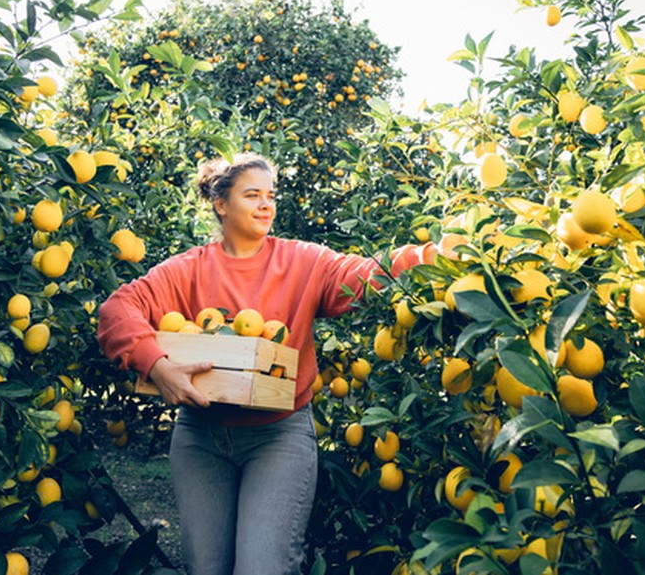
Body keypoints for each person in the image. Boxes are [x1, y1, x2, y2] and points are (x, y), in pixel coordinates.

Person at [96, 153, 435, 575]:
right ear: (221, 204)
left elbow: (364, 273)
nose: (266, 205)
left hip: (278, 435)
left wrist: (430, 256)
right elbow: (118, 309)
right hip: (199, 437)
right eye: (252, 194)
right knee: (206, 567)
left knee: (263, 566)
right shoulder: (188, 269)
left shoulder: (303, 262)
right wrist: (156, 366)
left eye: (270, 196)